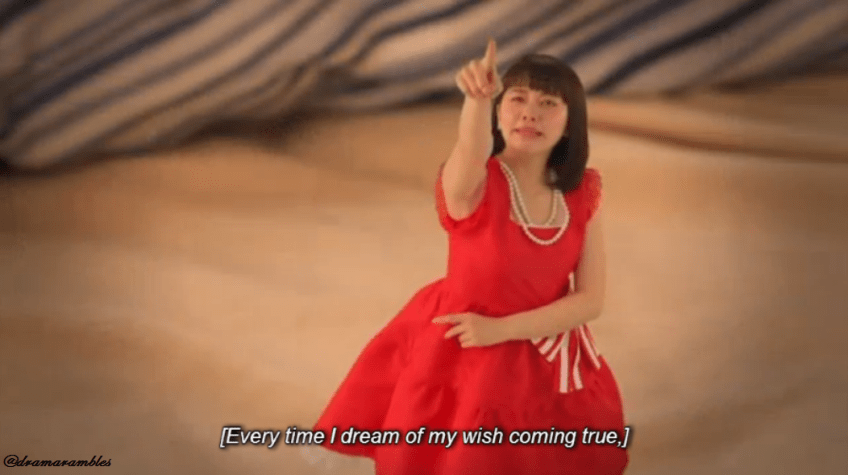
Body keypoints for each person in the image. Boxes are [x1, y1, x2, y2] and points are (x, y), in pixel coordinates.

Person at [309, 38, 629, 475]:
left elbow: (590, 301)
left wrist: (502, 330)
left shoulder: (582, 195)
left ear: (571, 124)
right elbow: (471, 150)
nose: (530, 113)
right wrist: (477, 100)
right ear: (498, 113)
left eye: (548, 103)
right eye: (517, 99)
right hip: (462, 349)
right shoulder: (474, 185)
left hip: (541, 356)